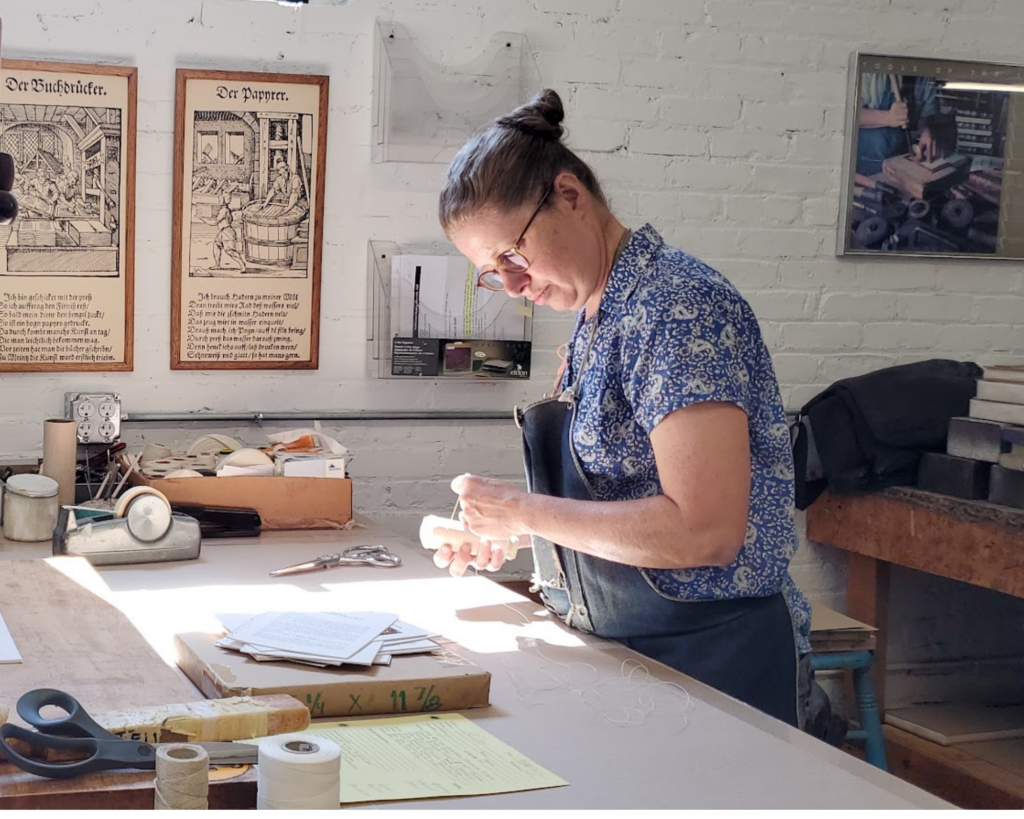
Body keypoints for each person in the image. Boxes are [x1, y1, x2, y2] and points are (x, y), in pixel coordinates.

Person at [428, 88, 811, 727]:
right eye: (494, 273)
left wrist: (526, 508)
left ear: (570, 196)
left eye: (513, 256)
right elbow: (624, 495)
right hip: (632, 652)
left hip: (714, 664)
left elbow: (705, 530)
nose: (515, 286)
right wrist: (517, 529)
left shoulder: (677, 310)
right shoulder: (599, 315)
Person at [856, 72, 957, 176]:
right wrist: (887, 118)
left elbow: (927, 116)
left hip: (901, 163)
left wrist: (927, 130)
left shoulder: (923, 76)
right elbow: (849, 115)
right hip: (867, 168)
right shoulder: (871, 70)